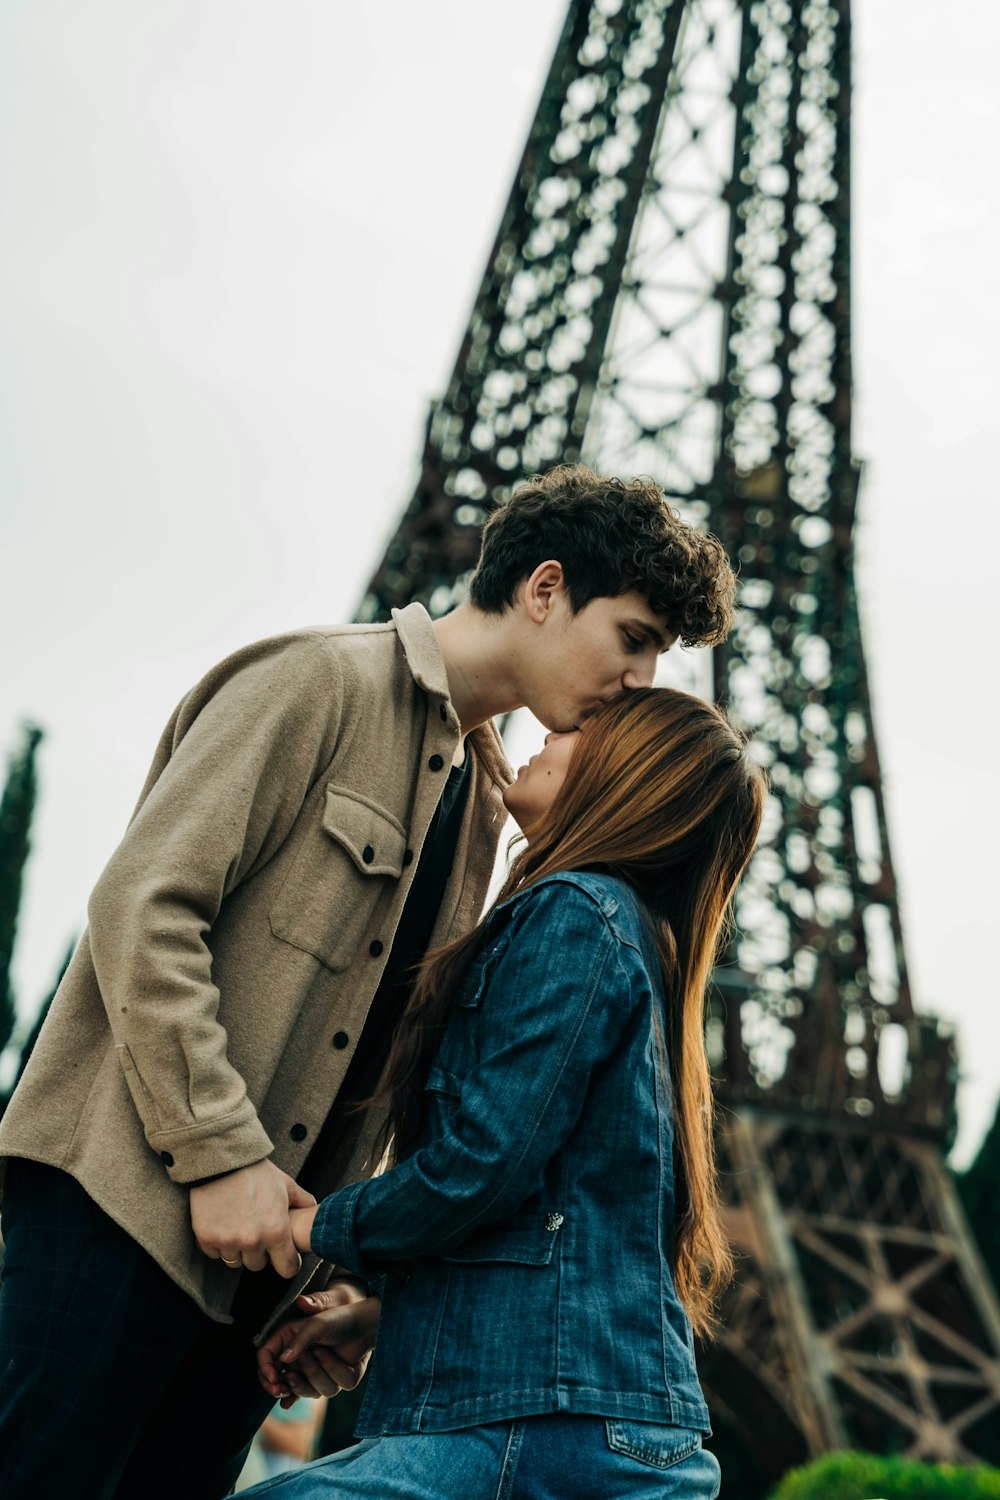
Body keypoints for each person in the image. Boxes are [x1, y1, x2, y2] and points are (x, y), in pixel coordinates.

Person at [0, 466, 736, 1500]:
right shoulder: (314, 685)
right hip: (126, 1212)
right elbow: (143, 908)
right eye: (632, 636)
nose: (640, 679)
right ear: (544, 588)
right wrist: (219, 1159)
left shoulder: (488, 800)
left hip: (260, 1276)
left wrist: (341, 1274)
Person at [240, 686, 766, 1500]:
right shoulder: (628, 932)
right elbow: (570, 1222)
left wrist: (310, 1224)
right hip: (590, 1426)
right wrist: (383, 1317)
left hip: (532, 1428)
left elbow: (481, 1163)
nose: (558, 726)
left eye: (588, 730)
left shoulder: (574, 912)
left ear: (620, 778)